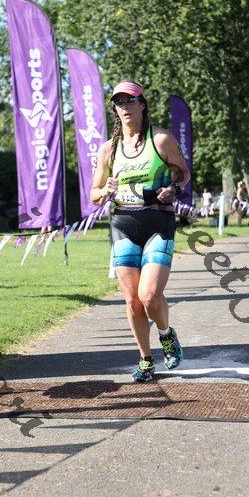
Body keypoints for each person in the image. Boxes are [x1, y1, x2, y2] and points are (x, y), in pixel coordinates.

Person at [90, 80, 190, 382]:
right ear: (115, 110)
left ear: (142, 105)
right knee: (132, 300)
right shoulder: (109, 149)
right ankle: (146, 360)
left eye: (130, 101)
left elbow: (183, 173)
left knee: (149, 295)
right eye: (119, 103)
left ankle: (166, 335)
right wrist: (105, 190)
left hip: (158, 222)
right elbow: (93, 194)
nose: (125, 107)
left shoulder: (161, 139)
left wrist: (173, 189)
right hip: (124, 224)